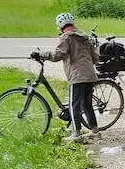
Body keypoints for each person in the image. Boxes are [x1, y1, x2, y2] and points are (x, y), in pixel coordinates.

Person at [37, 11, 99, 143]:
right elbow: (95, 57)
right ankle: (95, 131)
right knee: (86, 104)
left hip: (77, 76)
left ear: (60, 26)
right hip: (90, 74)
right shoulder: (84, 37)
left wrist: (42, 54)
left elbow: (57, 55)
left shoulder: (66, 38)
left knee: (73, 104)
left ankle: (76, 133)